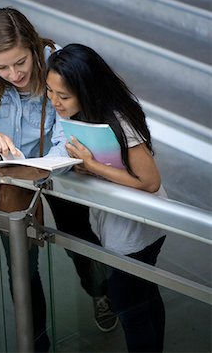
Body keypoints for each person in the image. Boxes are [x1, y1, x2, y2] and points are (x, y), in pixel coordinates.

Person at [0, 8, 116, 351]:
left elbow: (63, 129)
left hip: (56, 167)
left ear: (34, 50)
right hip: (10, 175)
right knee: (20, 263)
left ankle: (99, 291)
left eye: (20, 62)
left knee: (78, 234)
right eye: (2, 67)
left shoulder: (56, 61)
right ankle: (36, 343)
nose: (13, 74)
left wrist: (45, 166)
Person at [46, 43, 167, 353]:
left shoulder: (118, 120)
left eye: (63, 96)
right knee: (144, 294)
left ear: (86, 90)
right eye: (50, 92)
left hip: (136, 227)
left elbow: (150, 182)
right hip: (119, 220)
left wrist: (92, 166)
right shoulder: (83, 112)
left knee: (129, 306)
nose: (55, 102)